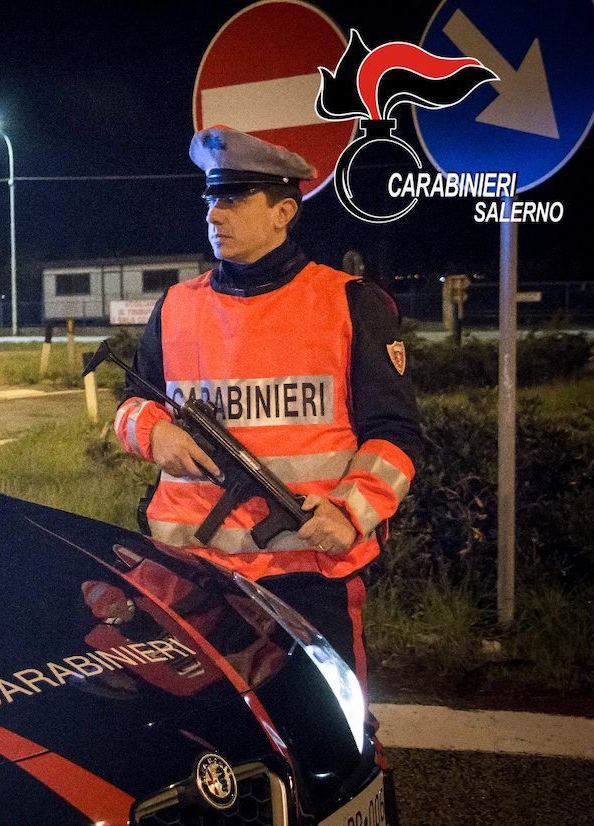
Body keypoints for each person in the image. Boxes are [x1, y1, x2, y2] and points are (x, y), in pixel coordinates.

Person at [114, 126, 421, 700]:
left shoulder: (350, 303)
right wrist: (153, 433)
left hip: (309, 569)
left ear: (284, 211)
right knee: (201, 732)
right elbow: (133, 404)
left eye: (233, 199)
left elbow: (395, 434)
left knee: (332, 729)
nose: (215, 214)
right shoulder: (178, 306)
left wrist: (351, 512)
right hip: (192, 570)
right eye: (210, 198)